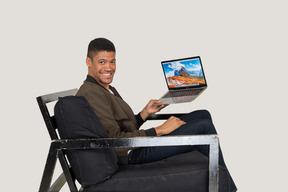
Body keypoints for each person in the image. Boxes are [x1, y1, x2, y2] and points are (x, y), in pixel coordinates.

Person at [76, 37, 237, 192]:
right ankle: (228, 188)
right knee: (203, 125)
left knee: (203, 114)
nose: (109, 68)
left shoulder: (105, 88)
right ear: (88, 62)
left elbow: (121, 127)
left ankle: (218, 181)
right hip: (133, 153)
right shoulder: (91, 93)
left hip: (134, 145)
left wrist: (144, 114)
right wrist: (159, 130)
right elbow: (115, 141)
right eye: (102, 62)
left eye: (112, 61)